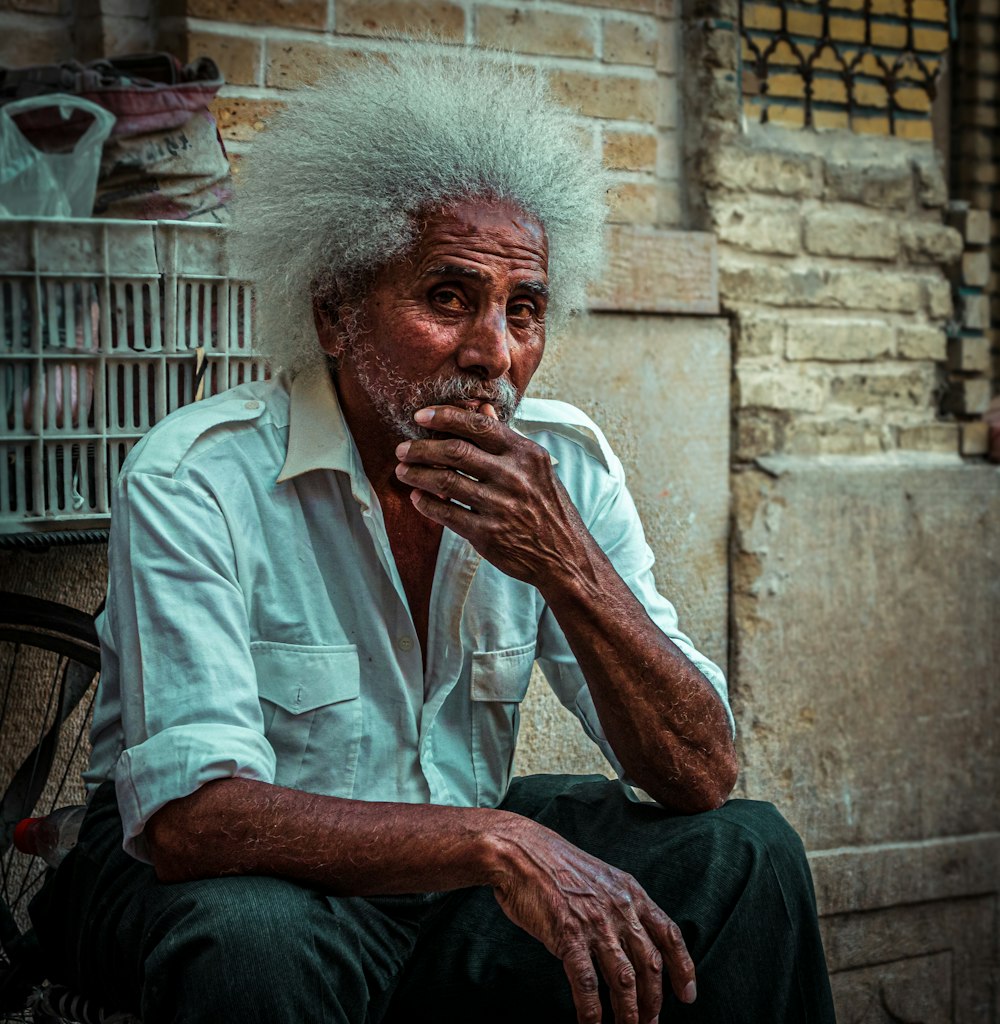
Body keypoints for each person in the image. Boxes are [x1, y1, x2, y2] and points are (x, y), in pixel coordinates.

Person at [32, 47, 837, 1024]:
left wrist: (569, 565)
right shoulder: (198, 473)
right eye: (448, 297)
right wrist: (498, 843)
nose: (493, 353)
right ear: (334, 313)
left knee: (743, 851)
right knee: (251, 943)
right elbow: (193, 821)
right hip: (230, 882)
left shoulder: (561, 465)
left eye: (523, 310)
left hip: (444, 882)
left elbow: (698, 771)